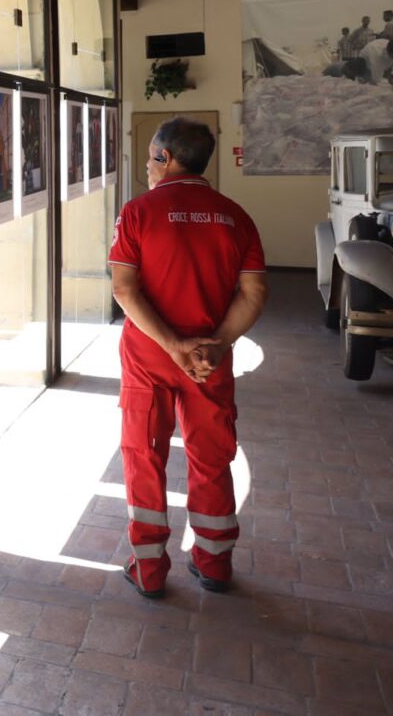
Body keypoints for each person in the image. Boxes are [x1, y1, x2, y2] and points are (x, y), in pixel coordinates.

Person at [108, 117, 267, 598]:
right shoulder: (235, 215)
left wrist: (171, 347)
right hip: (209, 363)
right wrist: (215, 344)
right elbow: (254, 292)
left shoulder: (138, 212)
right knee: (212, 457)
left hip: (149, 359)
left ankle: (150, 569)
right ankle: (215, 563)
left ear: (164, 158)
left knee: (144, 457)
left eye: (152, 155)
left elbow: (124, 288)